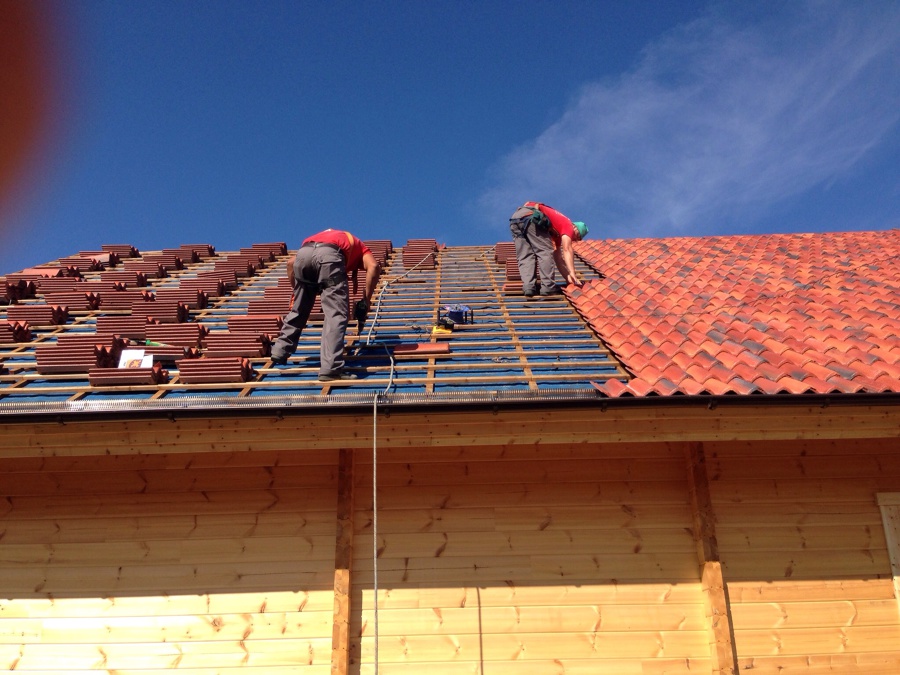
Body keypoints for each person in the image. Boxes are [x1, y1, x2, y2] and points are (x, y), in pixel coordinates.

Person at [270, 229, 381, 381]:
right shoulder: (360, 248)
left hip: (304, 254)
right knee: (336, 315)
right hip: (329, 257)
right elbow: (374, 267)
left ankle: (280, 350)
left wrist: (297, 292)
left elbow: (290, 264)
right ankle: (331, 369)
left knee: (299, 309)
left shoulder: (326, 237)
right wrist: (366, 301)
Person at [509, 201, 587, 297]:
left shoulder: (557, 234)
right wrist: (573, 274)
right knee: (545, 252)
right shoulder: (568, 225)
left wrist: (569, 279)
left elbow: (558, 259)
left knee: (525, 255)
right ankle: (548, 287)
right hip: (531, 217)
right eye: (577, 236)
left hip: (516, 218)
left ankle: (529, 287)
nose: (574, 239)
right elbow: (567, 249)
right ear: (575, 228)